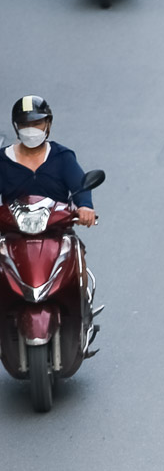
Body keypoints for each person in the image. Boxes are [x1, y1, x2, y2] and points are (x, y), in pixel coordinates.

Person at [2, 97, 100, 311]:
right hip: (12, 234)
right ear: (16, 127)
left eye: (36, 123)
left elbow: (80, 186)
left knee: (76, 255)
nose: (31, 129)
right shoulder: (2, 160)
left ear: (48, 124)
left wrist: (85, 207)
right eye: (25, 124)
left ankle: (82, 311)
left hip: (56, 231)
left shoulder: (62, 157)